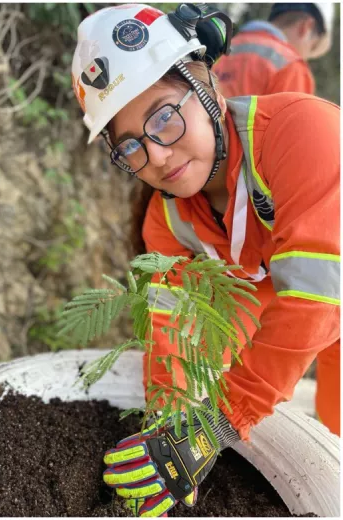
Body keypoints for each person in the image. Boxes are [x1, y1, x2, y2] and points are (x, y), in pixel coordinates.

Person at [72, 3, 339, 516]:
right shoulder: (169, 222)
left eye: (165, 118)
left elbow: (315, 302)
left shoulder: (304, 135)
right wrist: (167, 429)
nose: (157, 156)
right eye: (129, 146)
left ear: (208, 88)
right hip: (292, 291)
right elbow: (172, 335)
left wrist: (212, 427)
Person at [214, 3, 334, 97]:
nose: (306, 57)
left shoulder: (219, 49)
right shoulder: (291, 67)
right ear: (306, 27)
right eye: (312, 47)